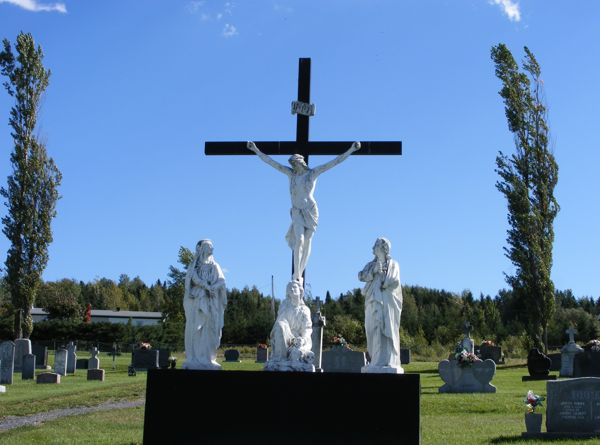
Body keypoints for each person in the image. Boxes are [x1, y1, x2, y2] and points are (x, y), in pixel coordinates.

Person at [247, 141, 361, 283]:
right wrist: (256, 150)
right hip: (297, 212)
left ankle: (300, 272)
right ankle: (296, 275)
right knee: (299, 241)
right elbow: (272, 162)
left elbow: (334, 162)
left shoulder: (312, 174)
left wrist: (350, 150)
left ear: (301, 163)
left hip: (310, 211)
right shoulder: (291, 174)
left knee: (307, 242)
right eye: (292, 164)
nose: (293, 166)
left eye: (295, 163)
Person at [358, 237, 403, 373]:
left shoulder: (393, 264)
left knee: (385, 329)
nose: (374, 248)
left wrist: (383, 276)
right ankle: (375, 360)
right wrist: (373, 271)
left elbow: (394, 281)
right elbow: (360, 276)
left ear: (384, 248)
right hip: (372, 300)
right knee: (371, 329)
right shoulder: (371, 265)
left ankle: (387, 360)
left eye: (377, 245)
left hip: (387, 302)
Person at [182, 239, 227, 370]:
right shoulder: (194, 265)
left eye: (212, 247)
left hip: (211, 302)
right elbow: (192, 278)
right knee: (197, 328)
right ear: (202, 249)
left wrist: (213, 287)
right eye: (209, 246)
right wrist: (204, 286)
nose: (212, 249)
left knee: (210, 329)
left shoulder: (215, 266)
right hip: (198, 299)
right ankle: (195, 357)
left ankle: (207, 357)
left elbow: (222, 281)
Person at [265, 280, 314, 371]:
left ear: (300, 290)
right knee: (280, 325)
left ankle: (292, 358)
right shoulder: (284, 306)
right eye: (289, 288)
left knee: (297, 352)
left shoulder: (305, 309)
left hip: (300, 339)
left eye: (294, 287)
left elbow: (307, 328)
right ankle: (280, 359)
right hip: (286, 336)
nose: (291, 289)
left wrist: (303, 339)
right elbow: (280, 321)